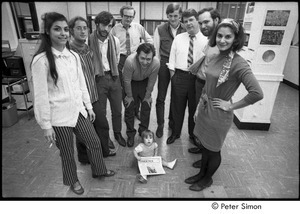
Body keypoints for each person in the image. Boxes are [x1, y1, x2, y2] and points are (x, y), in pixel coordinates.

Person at [31, 12, 115, 195]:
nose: (63, 33)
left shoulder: (72, 56)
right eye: (57, 29)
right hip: (59, 117)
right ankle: (73, 181)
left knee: (94, 142)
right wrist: (46, 125)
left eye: (65, 29)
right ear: (47, 31)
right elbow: (40, 96)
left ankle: (99, 170)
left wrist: (89, 107)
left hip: (78, 111)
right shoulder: (41, 61)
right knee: (67, 153)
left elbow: (81, 84)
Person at [185, 18, 263, 191]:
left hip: (219, 115)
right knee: (204, 145)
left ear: (236, 39)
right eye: (219, 36)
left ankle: (207, 179)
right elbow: (207, 85)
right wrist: (199, 106)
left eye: (228, 37)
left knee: (213, 150)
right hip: (205, 108)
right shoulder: (217, 55)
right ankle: (201, 174)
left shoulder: (239, 63)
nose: (222, 40)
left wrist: (231, 106)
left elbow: (257, 93)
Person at [68, 16, 116, 161]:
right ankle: (84, 157)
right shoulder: (69, 51)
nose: (83, 31)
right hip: (78, 99)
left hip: (93, 95)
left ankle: (104, 151)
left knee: (102, 125)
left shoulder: (88, 48)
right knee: (83, 130)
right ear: (71, 31)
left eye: (84, 28)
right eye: (78, 28)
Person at [166, 9, 207, 145]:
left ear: (197, 20)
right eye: (185, 21)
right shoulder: (178, 38)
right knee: (177, 107)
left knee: (194, 108)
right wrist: (174, 78)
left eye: (191, 20)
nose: (188, 23)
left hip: (198, 79)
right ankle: (175, 133)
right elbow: (172, 60)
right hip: (180, 76)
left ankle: (193, 134)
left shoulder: (206, 40)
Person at [187, 8, 221, 164]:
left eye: (206, 22)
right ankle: (202, 148)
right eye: (200, 23)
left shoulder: (222, 43)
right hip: (199, 82)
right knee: (200, 119)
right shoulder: (211, 40)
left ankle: (207, 158)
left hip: (209, 87)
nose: (202, 26)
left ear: (216, 20)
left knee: (208, 122)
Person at [89, 11, 127, 147]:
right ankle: (105, 137)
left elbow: (116, 58)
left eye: (110, 26)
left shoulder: (115, 40)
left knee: (117, 109)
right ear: (97, 24)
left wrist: (112, 72)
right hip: (98, 79)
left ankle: (117, 133)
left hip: (114, 76)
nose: (106, 29)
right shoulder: (89, 40)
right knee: (102, 112)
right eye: (104, 25)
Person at [111, 5, 153, 119]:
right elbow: (110, 46)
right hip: (121, 59)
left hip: (136, 59)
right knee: (125, 86)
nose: (128, 19)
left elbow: (149, 40)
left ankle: (136, 110)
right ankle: (128, 110)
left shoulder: (138, 27)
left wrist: (143, 51)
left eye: (131, 16)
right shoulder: (114, 29)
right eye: (126, 16)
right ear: (121, 16)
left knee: (137, 85)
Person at [153, 3, 186, 138]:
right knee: (161, 97)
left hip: (179, 67)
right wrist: (158, 69)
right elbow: (156, 50)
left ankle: (172, 124)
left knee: (176, 97)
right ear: (167, 16)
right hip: (164, 66)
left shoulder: (185, 29)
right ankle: (160, 124)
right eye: (170, 16)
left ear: (180, 16)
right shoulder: (160, 29)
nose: (173, 19)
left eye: (176, 16)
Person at [123, 43, 159, 147]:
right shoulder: (130, 61)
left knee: (146, 105)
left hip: (145, 81)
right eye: (142, 58)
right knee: (129, 108)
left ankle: (143, 131)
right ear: (137, 55)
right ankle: (130, 134)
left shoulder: (156, 63)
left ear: (153, 57)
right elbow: (126, 80)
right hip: (131, 82)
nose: (145, 62)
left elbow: (152, 81)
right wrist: (129, 96)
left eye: (148, 59)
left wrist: (147, 96)